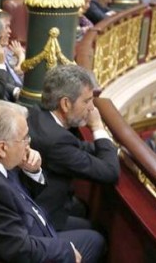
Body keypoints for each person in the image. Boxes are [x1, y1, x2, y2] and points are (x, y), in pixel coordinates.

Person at [0, 100, 105, 262]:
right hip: (26, 242)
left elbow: (19, 195)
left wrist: (33, 171)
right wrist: (66, 250)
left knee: (91, 230)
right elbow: (17, 248)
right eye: (24, 138)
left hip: (29, 223)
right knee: (96, 241)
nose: (28, 144)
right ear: (2, 148)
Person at [27, 64, 120, 231]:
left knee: (83, 210)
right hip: (43, 219)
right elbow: (109, 172)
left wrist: (113, 150)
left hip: (50, 202)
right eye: (87, 101)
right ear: (65, 104)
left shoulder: (39, 113)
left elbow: (80, 147)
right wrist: (98, 126)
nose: (92, 108)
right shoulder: (56, 141)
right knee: (97, 238)